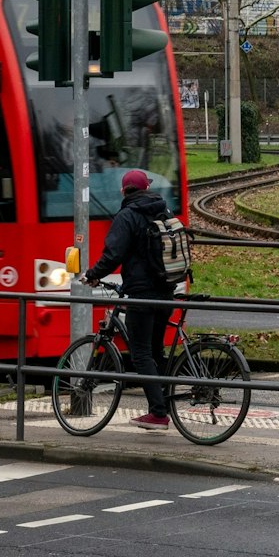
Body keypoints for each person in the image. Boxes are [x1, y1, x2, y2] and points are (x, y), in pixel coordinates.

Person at [82, 168, 175, 431]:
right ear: (147, 187)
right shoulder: (163, 210)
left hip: (142, 292)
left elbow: (113, 254)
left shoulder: (128, 215)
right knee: (156, 350)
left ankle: (158, 414)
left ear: (124, 191)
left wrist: (93, 275)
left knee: (141, 352)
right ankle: (165, 403)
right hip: (166, 290)